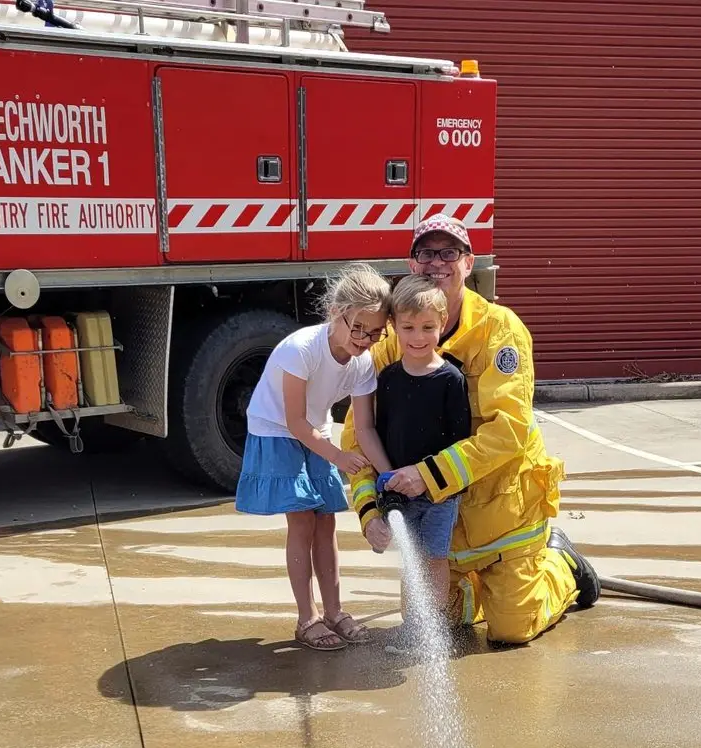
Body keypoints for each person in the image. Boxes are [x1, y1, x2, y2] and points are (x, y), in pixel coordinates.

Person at [340, 214, 602, 645]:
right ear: (411, 264)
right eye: (427, 253)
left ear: (468, 263)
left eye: (450, 253)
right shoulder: (390, 340)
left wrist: (425, 475)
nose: (437, 263)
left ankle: (559, 563)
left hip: (502, 513)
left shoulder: (500, 330)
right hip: (436, 525)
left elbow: (510, 429)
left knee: (512, 629)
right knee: (429, 626)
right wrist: (370, 511)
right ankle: (471, 589)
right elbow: (357, 435)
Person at [236, 262, 391, 651]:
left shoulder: (362, 362)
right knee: (303, 521)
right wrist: (338, 456)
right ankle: (307, 619)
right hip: (276, 430)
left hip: (314, 430)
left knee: (327, 523)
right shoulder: (301, 349)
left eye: (375, 332)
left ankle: (335, 611)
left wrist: (389, 474)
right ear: (334, 313)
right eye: (358, 328)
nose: (365, 339)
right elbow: (293, 421)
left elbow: (366, 428)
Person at [351, 274, 471, 636]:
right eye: (409, 327)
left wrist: (431, 479)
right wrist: (387, 479)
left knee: (434, 558)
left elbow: (459, 440)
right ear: (394, 327)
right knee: (412, 558)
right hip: (399, 488)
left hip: (439, 494)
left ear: (442, 324)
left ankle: (429, 626)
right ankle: (413, 622)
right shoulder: (387, 379)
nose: (418, 337)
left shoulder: (452, 380)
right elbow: (378, 431)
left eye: (428, 327)